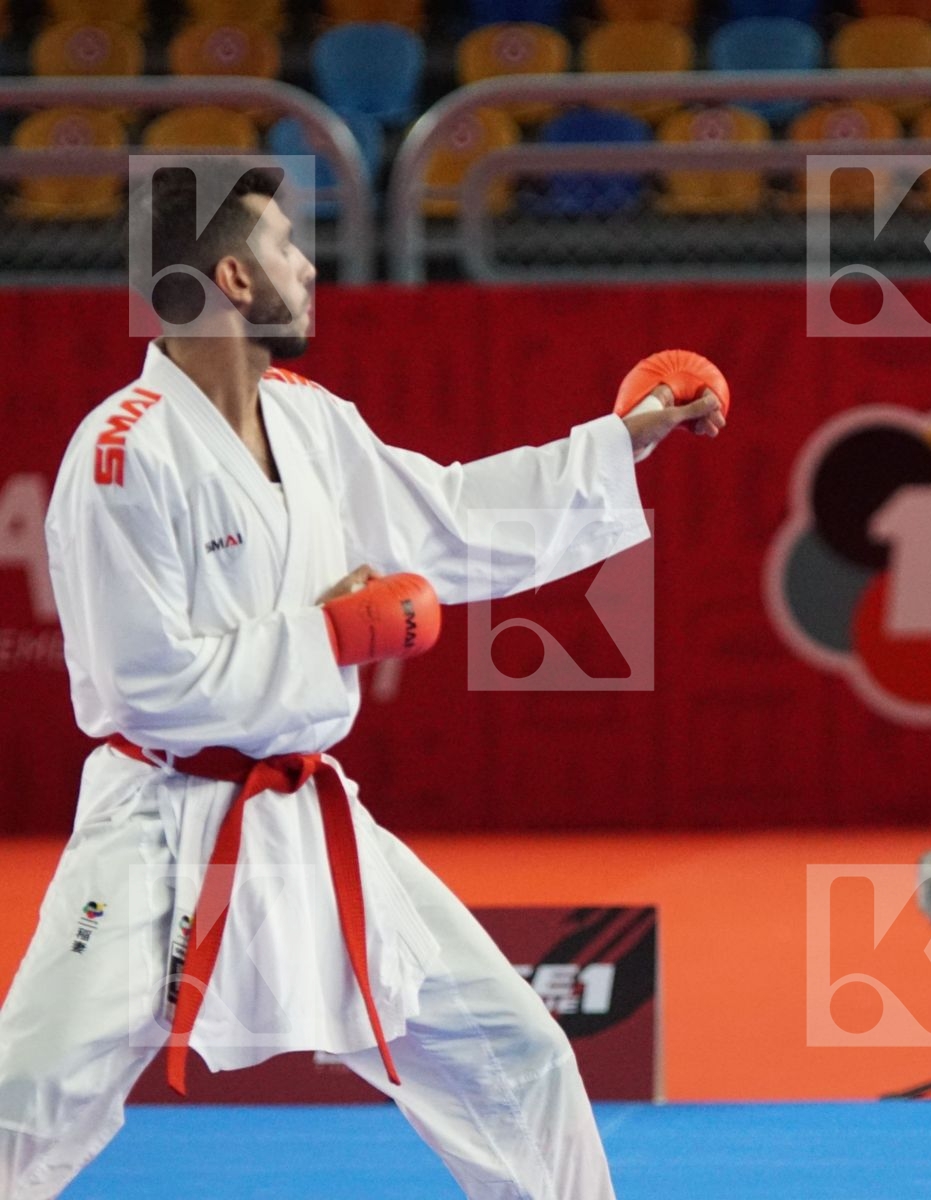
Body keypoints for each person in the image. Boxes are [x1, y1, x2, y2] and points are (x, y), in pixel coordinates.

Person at [0, 165, 724, 1198]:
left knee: (517, 1058)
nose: (310, 265)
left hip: (303, 816)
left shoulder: (308, 417)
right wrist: (334, 631)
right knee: (26, 1099)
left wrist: (624, 441)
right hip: (158, 833)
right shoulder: (122, 454)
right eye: (290, 246)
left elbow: (454, 518)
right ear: (237, 279)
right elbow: (145, 683)